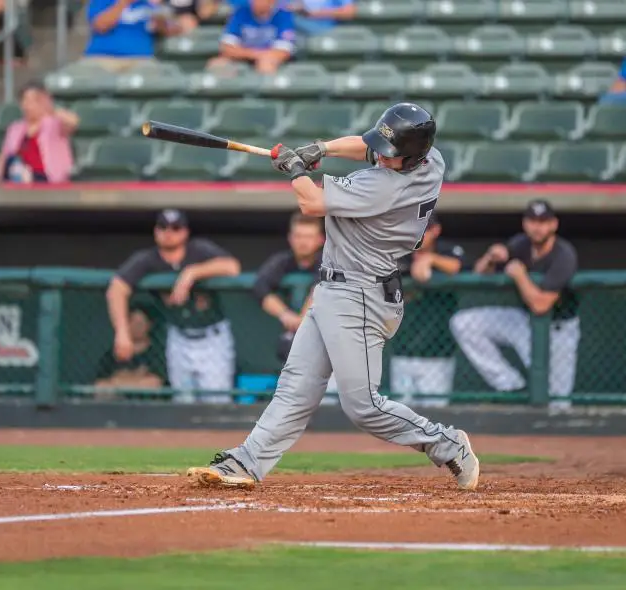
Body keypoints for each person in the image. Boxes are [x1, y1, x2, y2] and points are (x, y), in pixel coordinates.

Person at [188, 102, 480, 491]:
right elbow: (367, 146)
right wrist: (320, 149)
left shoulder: (383, 187)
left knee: (364, 406)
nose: (383, 158)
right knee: (296, 387)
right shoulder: (431, 161)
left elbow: (310, 201)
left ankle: (448, 444)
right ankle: (246, 461)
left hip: (360, 295)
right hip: (336, 289)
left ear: (413, 156)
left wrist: (294, 169)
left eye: (393, 155)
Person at [450, 200, 580, 410]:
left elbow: (541, 305)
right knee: (464, 323)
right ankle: (510, 385)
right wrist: (491, 257)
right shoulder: (520, 244)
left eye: (543, 221)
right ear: (525, 223)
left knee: (558, 403)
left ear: (553, 224)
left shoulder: (563, 254)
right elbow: (479, 272)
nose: (537, 227)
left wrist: (520, 277)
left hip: (559, 329)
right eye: (532, 221)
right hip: (524, 322)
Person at [106, 209, 241, 404]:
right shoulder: (148, 259)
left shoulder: (199, 250)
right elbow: (117, 288)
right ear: (155, 231)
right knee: (182, 404)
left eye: (175, 228)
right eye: (163, 227)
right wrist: (122, 332)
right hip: (179, 338)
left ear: (185, 232)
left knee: (216, 405)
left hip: (212, 339)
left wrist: (192, 273)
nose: (169, 232)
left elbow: (232, 267)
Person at [253, 212, 338, 395]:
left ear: (320, 239)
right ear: (290, 238)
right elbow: (260, 287)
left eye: (308, 236)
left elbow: (322, 287)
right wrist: (285, 314)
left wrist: (301, 320)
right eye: (299, 236)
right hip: (301, 344)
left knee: (330, 400)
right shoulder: (283, 262)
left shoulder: (331, 259)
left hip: (332, 342)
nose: (303, 242)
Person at [392, 212, 467, 407]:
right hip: (402, 353)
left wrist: (430, 259)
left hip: (437, 357)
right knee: (399, 418)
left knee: (436, 419)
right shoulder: (399, 253)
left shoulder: (446, 250)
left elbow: (457, 266)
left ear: (435, 231)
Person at [0, 82, 78, 184]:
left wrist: (51, 110)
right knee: (13, 163)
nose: (28, 105)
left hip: (48, 179)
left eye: (34, 101)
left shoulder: (55, 124)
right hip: (18, 178)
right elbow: (4, 156)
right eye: (25, 100)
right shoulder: (15, 128)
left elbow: (73, 122)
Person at [84, 0, 179, 73]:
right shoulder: (103, 1)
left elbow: (169, 31)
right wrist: (124, 2)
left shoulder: (147, 5)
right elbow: (100, 26)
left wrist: (160, 18)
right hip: (104, 57)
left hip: (141, 58)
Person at [208, 0, 295, 74]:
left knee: (266, 65)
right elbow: (226, 48)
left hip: (268, 60)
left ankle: (264, 93)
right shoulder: (241, 12)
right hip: (243, 58)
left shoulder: (283, 15)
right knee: (217, 64)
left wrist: (260, 57)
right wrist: (255, 54)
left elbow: (283, 52)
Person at [94, 309, 166, 398]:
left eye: (140, 323)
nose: (136, 326)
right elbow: (100, 386)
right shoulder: (113, 354)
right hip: (117, 407)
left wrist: (118, 381)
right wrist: (138, 380)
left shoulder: (157, 353)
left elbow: (154, 385)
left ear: (149, 325)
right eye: (132, 322)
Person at [286, 0, 355, 36]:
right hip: (298, 20)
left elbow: (349, 12)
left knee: (287, 19)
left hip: (323, 26)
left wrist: (314, 13)